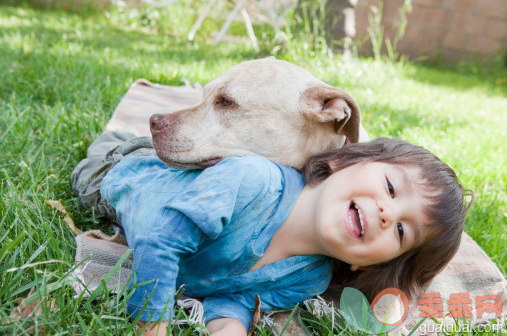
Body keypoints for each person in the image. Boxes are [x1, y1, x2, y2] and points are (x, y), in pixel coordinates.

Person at [71, 132, 471, 336]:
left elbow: (236, 299)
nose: (387, 213)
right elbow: (161, 237)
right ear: (339, 160)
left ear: (367, 263)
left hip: (176, 206)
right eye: (390, 186)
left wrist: (229, 328)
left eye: (402, 230)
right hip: (128, 174)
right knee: (100, 170)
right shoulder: (252, 181)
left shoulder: (308, 277)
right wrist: (151, 322)